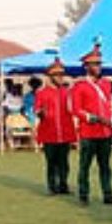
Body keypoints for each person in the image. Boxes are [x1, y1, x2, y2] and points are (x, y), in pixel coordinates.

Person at [70, 44, 112, 205]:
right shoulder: (79, 86)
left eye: (99, 64)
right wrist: (94, 118)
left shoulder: (106, 84)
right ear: (86, 66)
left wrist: (111, 122)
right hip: (88, 132)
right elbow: (76, 110)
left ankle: (108, 195)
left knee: (105, 167)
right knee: (85, 166)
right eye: (94, 64)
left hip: (105, 132)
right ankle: (84, 195)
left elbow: (107, 106)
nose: (98, 67)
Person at [35, 58, 76, 194]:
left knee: (64, 162)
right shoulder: (41, 93)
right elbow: (37, 110)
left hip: (65, 131)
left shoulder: (67, 92)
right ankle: (52, 186)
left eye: (61, 75)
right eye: (57, 75)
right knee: (51, 162)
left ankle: (63, 184)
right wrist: (41, 113)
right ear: (50, 77)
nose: (60, 77)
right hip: (49, 132)